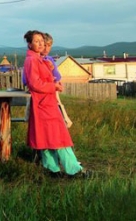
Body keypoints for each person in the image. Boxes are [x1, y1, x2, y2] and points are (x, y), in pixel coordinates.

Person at [23, 30, 90, 178]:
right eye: (36, 41)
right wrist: (54, 86)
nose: (41, 44)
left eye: (42, 41)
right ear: (29, 44)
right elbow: (35, 83)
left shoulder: (38, 59)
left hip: (44, 103)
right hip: (44, 103)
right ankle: (74, 170)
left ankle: (52, 169)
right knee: (58, 136)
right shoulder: (32, 60)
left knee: (46, 137)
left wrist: (51, 74)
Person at [41, 33, 73, 128]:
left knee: (57, 109)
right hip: (41, 92)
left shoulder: (50, 59)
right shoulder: (34, 59)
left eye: (49, 46)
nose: (46, 49)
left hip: (52, 90)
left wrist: (51, 69)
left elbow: (57, 76)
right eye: (44, 45)